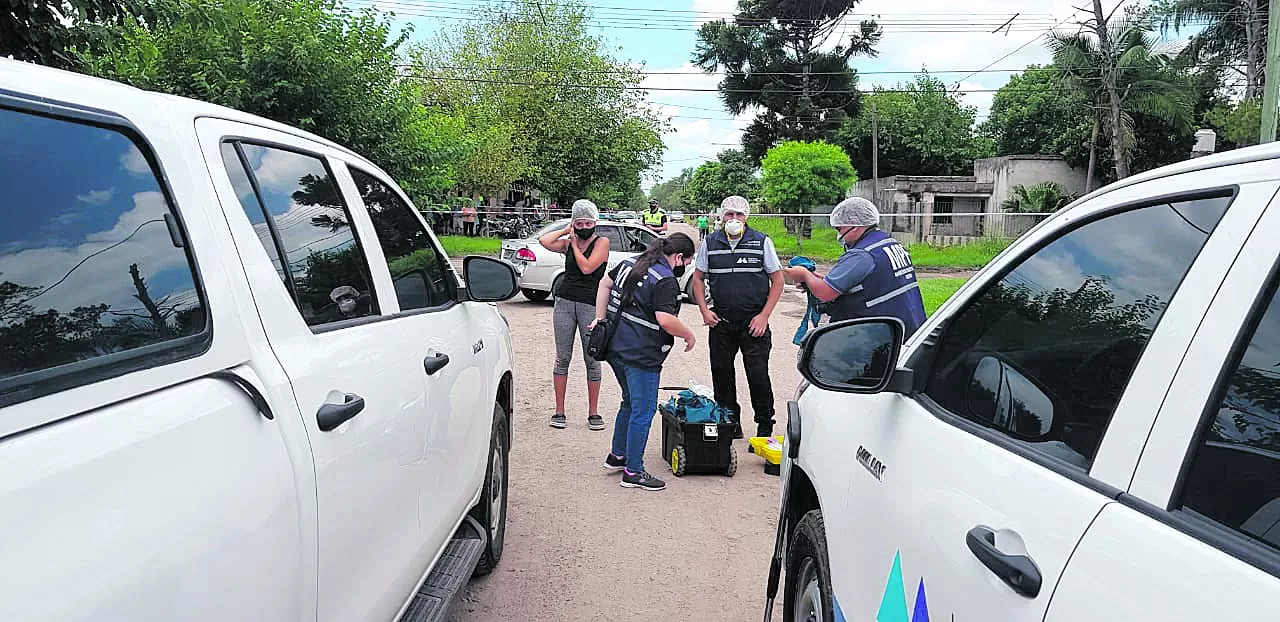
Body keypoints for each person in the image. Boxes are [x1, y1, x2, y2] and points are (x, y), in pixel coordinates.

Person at [590, 233, 698, 491]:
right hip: (641, 354)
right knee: (644, 409)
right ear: (679, 257)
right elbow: (665, 319)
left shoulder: (631, 263)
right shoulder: (665, 280)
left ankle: (618, 455)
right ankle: (633, 471)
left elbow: (604, 284)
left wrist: (600, 318)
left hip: (615, 347)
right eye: (686, 261)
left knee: (629, 401)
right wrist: (688, 334)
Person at [691, 196, 785, 439]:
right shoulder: (710, 243)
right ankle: (730, 423)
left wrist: (764, 316)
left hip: (754, 324)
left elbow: (778, 280)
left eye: (739, 215)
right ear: (722, 217)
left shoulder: (761, 242)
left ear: (747, 217)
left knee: (758, 376)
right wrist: (704, 310)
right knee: (722, 375)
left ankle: (765, 427)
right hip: (721, 323)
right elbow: (698, 278)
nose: (734, 219)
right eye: (729, 214)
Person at [784, 197, 927, 337]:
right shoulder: (887, 242)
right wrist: (816, 279)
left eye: (840, 229)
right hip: (907, 328)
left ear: (854, 224)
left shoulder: (862, 255)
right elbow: (857, 281)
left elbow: (825, 293)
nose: (839, 235)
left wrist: (804, 275)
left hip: (877, 336)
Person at [538, 199, 612, 430]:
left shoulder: (602, 242)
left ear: (595, 222)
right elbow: (544, 241)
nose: (583, 226)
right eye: (579, 222)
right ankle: (559, 411)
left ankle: (593, 412)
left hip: (590, 304)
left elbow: (588, 267)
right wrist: (566, 230)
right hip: (565, 302)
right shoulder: (569, 241)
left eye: (587, 222)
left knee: (592, 358)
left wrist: (575, 246)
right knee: (562, 358)